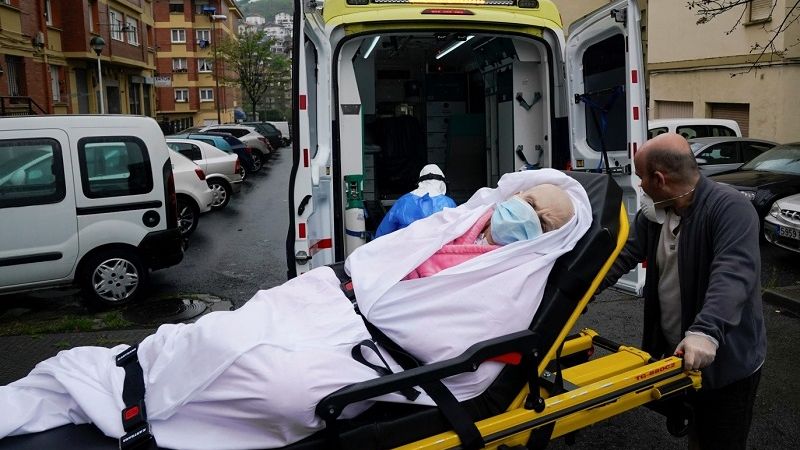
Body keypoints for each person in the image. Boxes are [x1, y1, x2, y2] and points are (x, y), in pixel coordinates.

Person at [1, 170, 592, 450]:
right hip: (339, 301)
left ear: (554, 239)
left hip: (382, 353)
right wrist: (350, 287)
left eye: (544, 222)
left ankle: (155, 418)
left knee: (270, 378)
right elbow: (382, 253)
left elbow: (462, 350)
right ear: (513, 191)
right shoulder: (455, 220)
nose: (527, 217)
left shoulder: (517, 280)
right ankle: (128, 379)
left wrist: (383, 310)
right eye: (528, 201)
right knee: (222, 329)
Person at [598, 133, 766, 449]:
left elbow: (733, 273)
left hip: (725, 364)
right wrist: (581, 290)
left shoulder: (729, 208)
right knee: (695, 431)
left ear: (659, 179)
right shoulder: (655, 214)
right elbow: (622, 257)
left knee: (718, 441)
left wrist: (706, 331)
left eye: (641, 178)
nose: (639, 186)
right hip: (681, 355)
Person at [375, 164, 456, 237]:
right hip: (439, 248)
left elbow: (383, 232)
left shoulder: (403, 201)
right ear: (442, 183)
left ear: (420, 182)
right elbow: (456, 231)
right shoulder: (449, 203)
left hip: (407, 247)